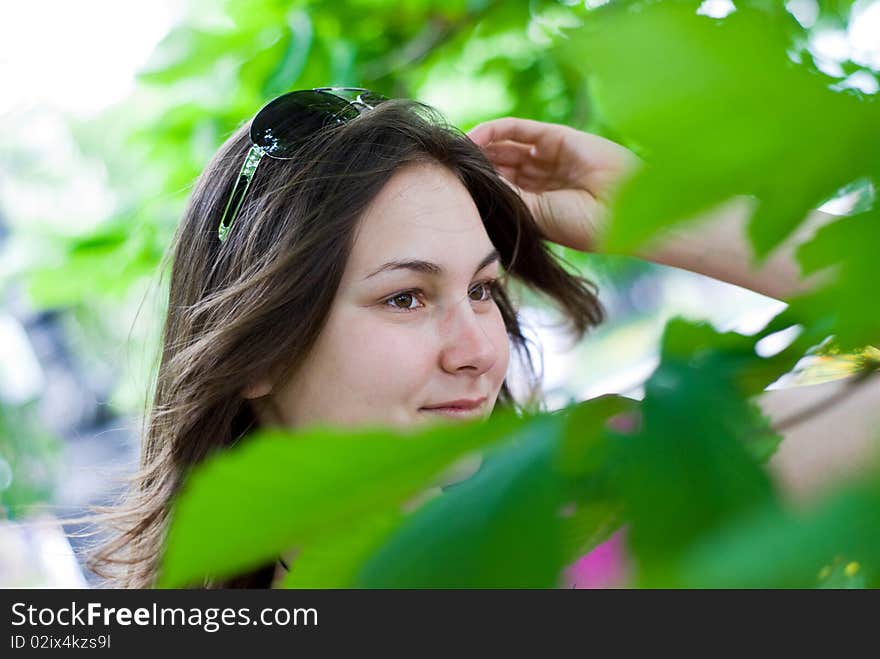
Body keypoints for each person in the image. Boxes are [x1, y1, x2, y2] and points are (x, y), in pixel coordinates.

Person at [88, 87, 849, 588]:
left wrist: (670, 216)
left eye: (484, 290)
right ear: (258, 349)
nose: (477, 349)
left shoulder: (600, 496)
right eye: (407, 296)